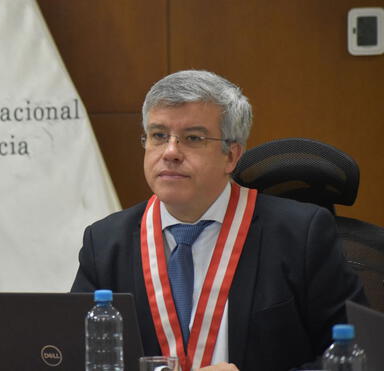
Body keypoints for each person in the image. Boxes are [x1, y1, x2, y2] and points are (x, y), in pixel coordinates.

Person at [71, 70, 367, 371]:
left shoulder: (301, 234)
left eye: (192, 138)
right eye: (159, 136)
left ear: (231, 155)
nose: (170, 152)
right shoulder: (105, 242)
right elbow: (73, 356)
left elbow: (360, 355)